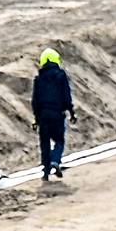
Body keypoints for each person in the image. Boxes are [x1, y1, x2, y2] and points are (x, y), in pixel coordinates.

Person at [32, 48, 75, 180]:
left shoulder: (38, 79)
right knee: (59, 141)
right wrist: (71, 112)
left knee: (44, 143)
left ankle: (46, 172)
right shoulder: (61, 76)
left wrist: (36, 118)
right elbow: (66, 96)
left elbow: (35, 100)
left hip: (43, 114)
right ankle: (55, 160)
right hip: (57, 113)